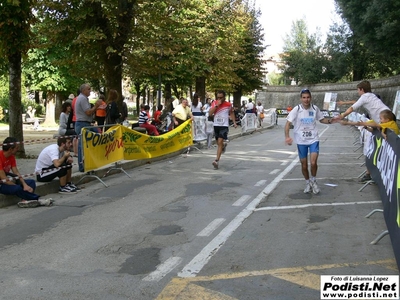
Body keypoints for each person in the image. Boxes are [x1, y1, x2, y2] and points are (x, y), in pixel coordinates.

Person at [335, 80, 390, 183]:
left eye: (358, 90)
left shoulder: (365, 97)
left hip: (386, 122)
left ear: (361, 89)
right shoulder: (371, 96)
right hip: (381, 122)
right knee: (373, 150)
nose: (357, 92)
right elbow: (355, 103)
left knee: (377, 151)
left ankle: (374, 175)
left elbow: (352, 107)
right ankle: (369, 174)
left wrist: (342, 115)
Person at [285, 89, 336, 194]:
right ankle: (307, 182)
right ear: (301, 98)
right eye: (304, 97)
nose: (306, 99)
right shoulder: (297, 109)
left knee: (313, 163)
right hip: (301, 141)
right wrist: (287, 137)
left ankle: (313, 180)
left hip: (313, 139)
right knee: (304, 165)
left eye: (308, 97)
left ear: (310, 98)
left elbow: (322, 119)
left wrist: (331, 120)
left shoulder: (315, 108)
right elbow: (287, 124)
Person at [0, 137, 53, 208]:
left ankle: (25, 200)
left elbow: (16, 172)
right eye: (16, 148)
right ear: (10, 149)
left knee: (31, 182)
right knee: (17, 188)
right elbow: (4, 178)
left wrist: (24, 184)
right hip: (2, 183)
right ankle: (37, 199)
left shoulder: (11, 156)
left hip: (8, 180)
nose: (18, 150)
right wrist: (18, 186)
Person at [74, 84, 101, 172]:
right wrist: (96, 106)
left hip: (85, 123)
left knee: (95, 138)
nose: (90, 91)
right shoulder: (82, 98)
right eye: (88, 89)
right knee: (82, 146)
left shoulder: (83, 98)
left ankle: (89, 162)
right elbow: (88, 112)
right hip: (83, 123)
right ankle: (82, 165)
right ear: (83, 90)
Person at [209, 90, 237, 169]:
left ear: (224, 97)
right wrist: (216, 106)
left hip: (224, 125)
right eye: (218, 97)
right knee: (219, 143)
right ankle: (223, 146)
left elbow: (231, 112)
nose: (219, 99)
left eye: (221, 97)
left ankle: (216, 160)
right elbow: (210, 113)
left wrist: (234, 122)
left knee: (220, 141)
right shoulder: (214, 103)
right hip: (216, 125)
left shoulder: (228, 104)